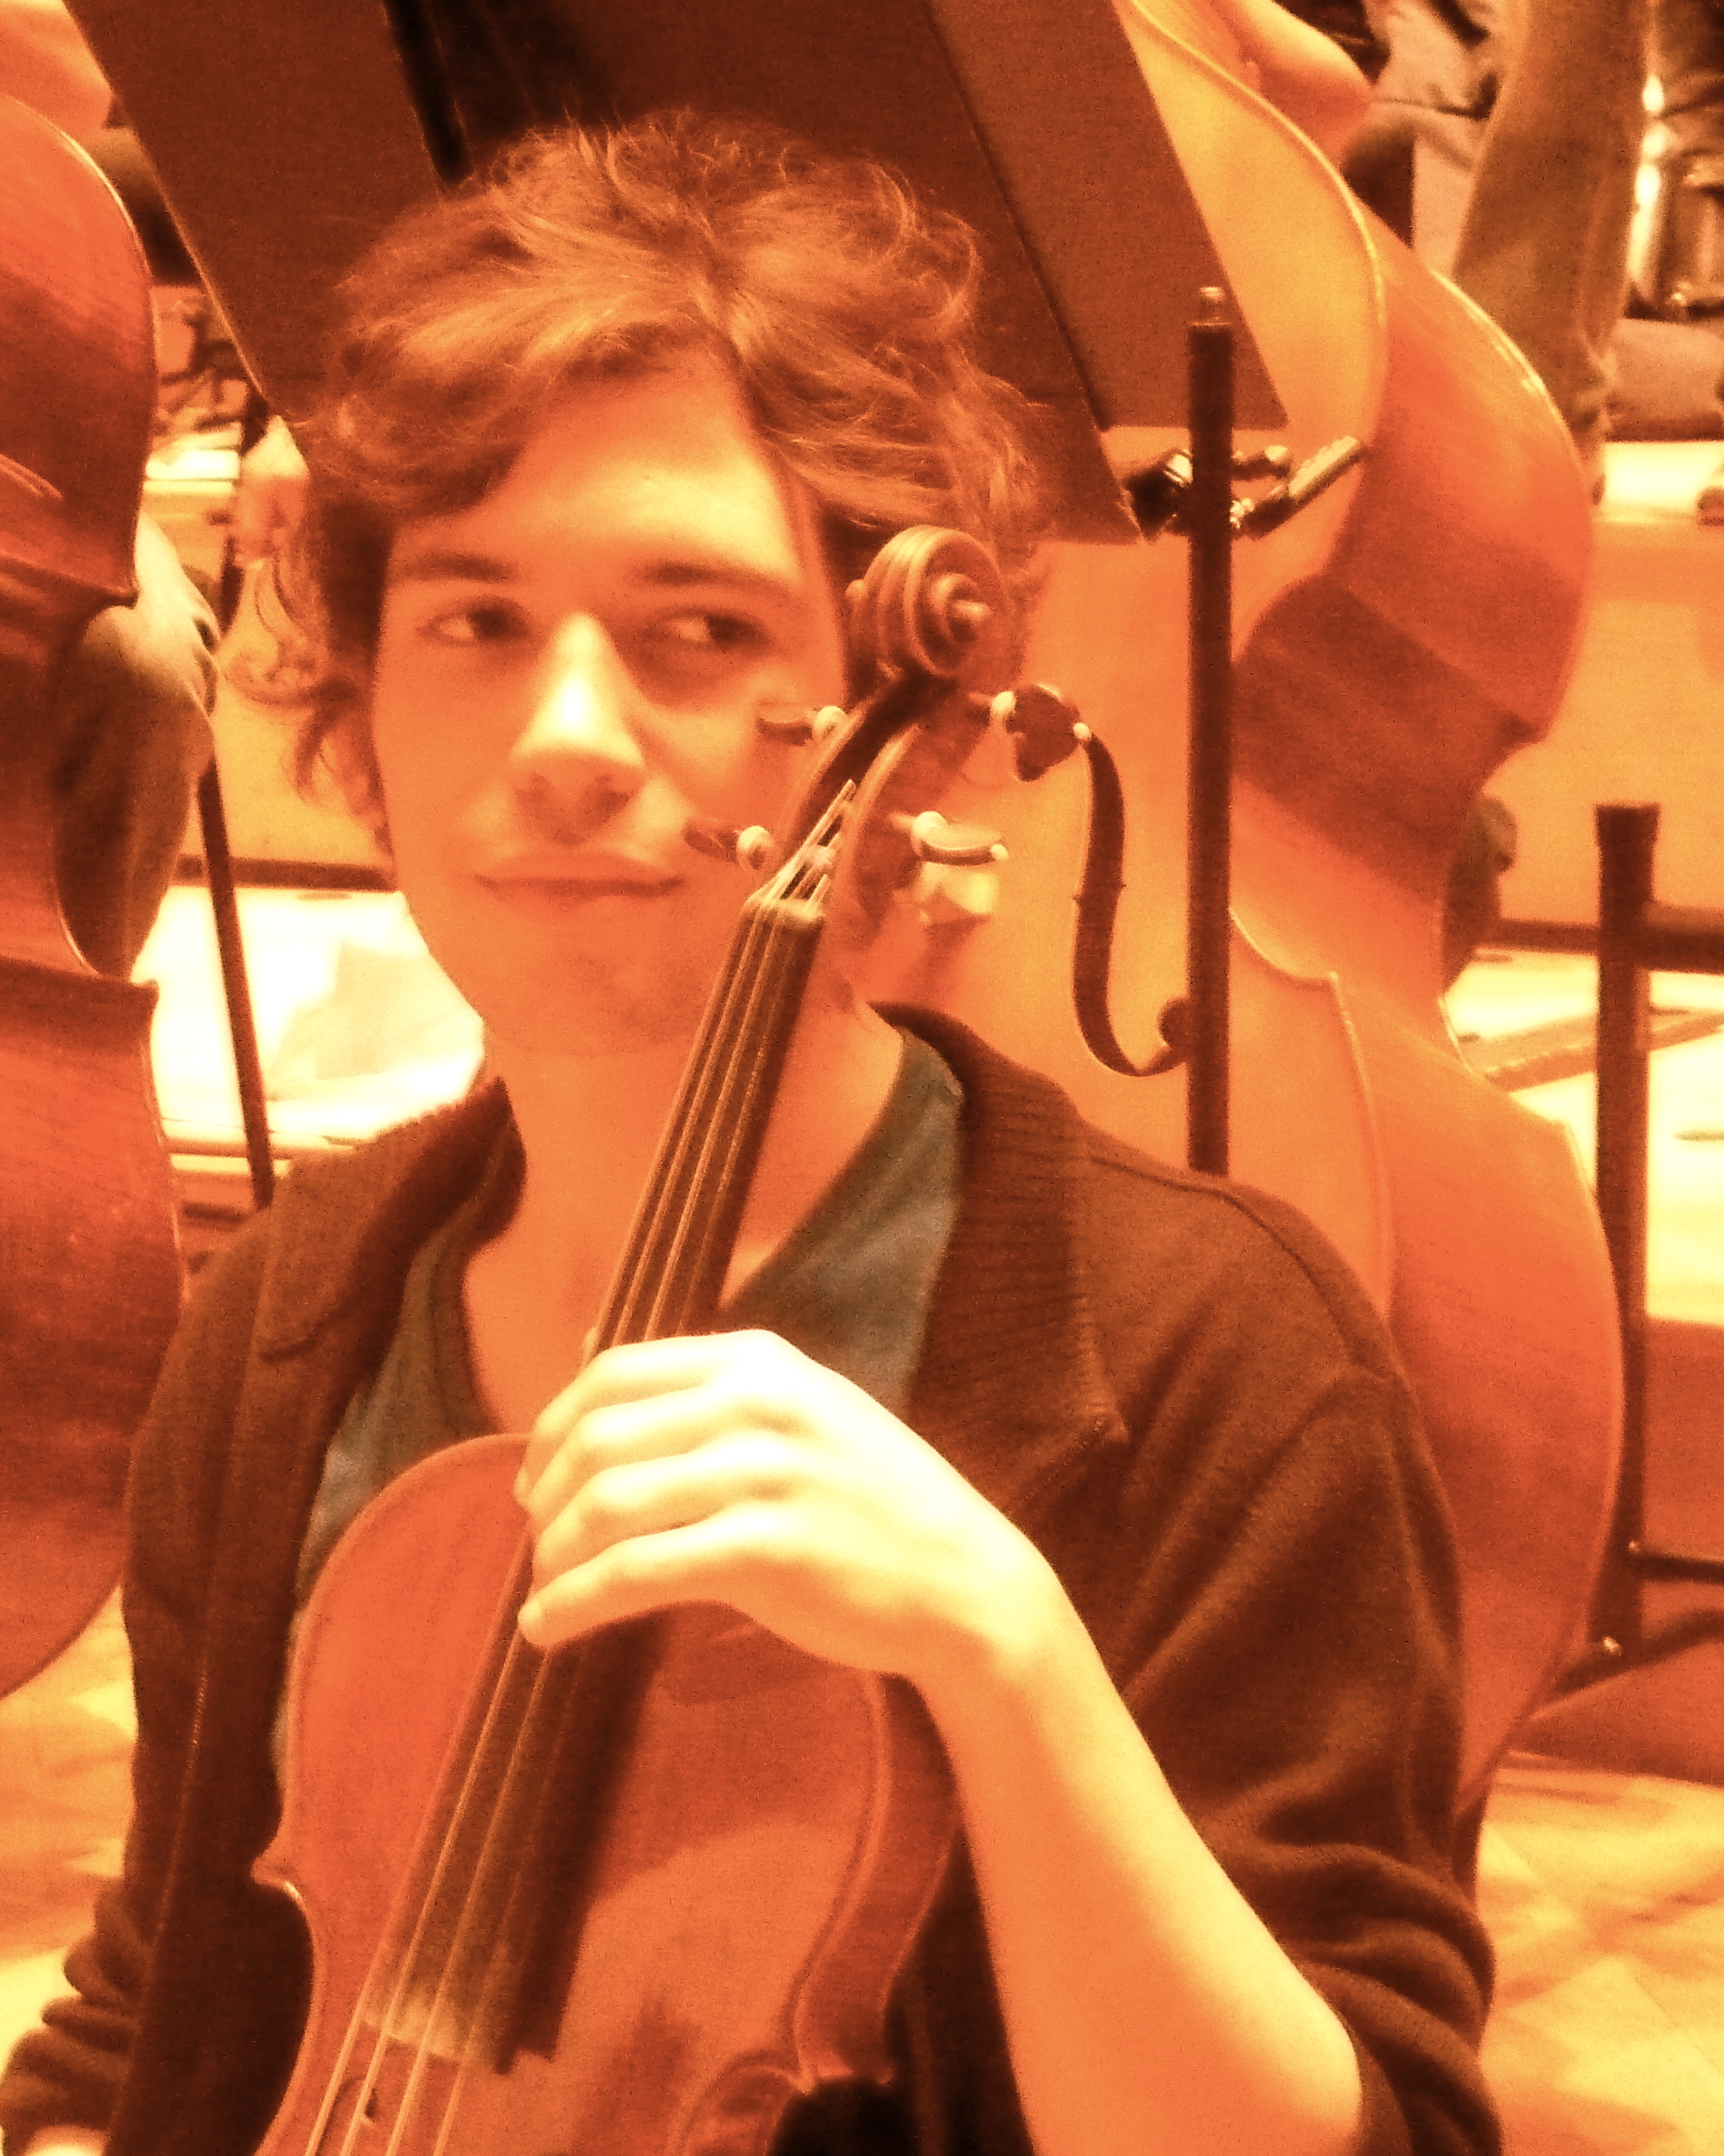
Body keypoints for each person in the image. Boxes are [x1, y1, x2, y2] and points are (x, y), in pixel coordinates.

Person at [0, 117, 1499, 2156]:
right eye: (476, 621)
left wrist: (1008, 1661)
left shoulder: (1217, 1369)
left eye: (696, 628)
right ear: (361, 707)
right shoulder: (282, 1330)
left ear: (908, 721)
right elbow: (154, 2020)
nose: (565, 738)